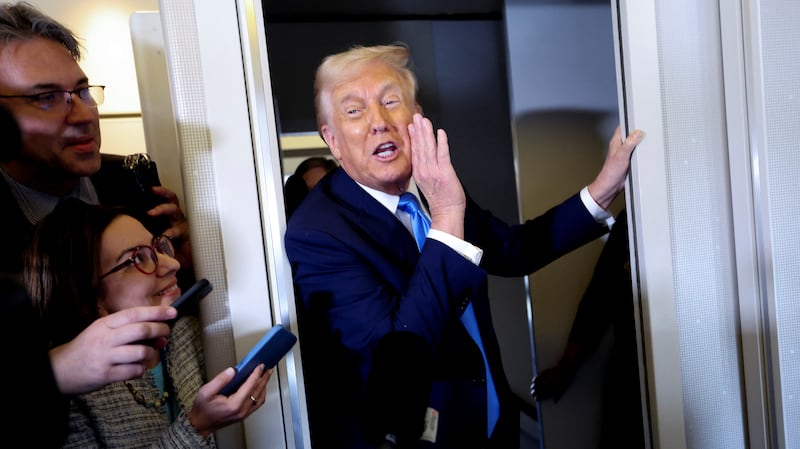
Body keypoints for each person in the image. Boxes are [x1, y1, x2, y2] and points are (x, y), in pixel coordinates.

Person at [284, 43, 644, 448]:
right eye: (355, 111)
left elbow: (512, 249)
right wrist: (447, 214)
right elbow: (396, 353)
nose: (379, 122)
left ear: (417, 116)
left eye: (391, 102)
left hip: (493, 425)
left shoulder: (430, 183)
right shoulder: (316, 233)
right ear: (332, 140)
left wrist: (603, 188)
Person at [24, 198, 271, 448]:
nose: (172, 264)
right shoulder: (66, 396)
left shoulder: (187, 334)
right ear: (89, 297)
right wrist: (198, 425)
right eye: (138, 259)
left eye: (159, 247)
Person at [0, 2, 191, 278]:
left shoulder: (131, 183)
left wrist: (188, 265)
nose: (83, 115)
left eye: (82, 91)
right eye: (46, 98)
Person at [531, 209, 645, 449]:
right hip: (630, 367)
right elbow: (600, 296)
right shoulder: (634, 215)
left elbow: (599, 296)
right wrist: (566, 369)